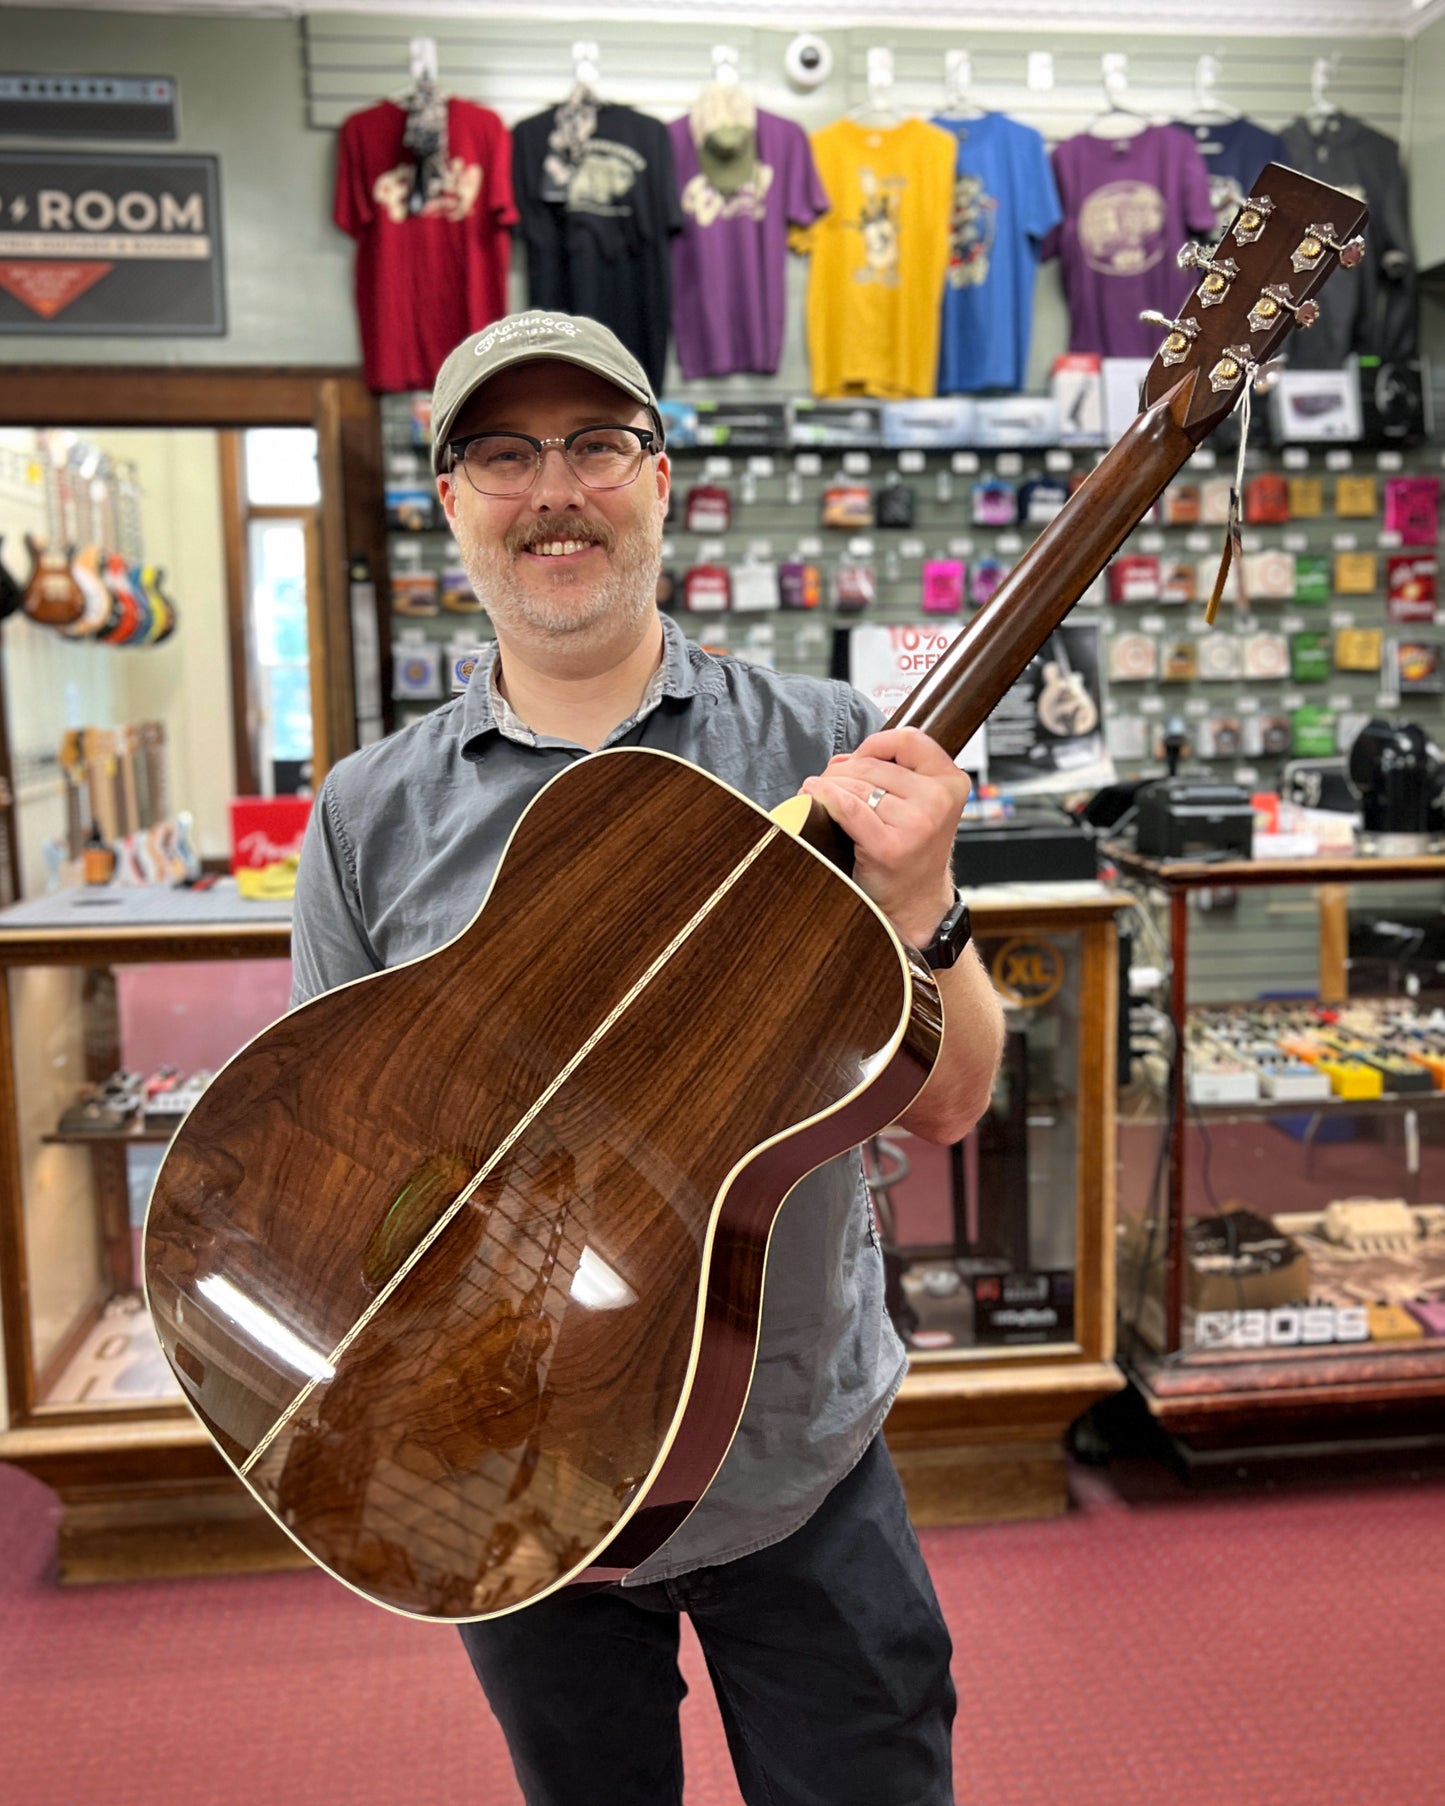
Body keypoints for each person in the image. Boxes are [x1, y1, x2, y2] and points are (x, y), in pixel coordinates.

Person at [289, 310, 1005, 1806]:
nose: (554, 490)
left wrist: (922, 904)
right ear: (449, 505)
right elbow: (326, 1188)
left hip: (794, 1459)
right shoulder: (368, 813)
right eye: (502, 454)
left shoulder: (825, 746)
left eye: (595, 445)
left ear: (662, 479)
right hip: (513, 1484)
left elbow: (948, 1103)